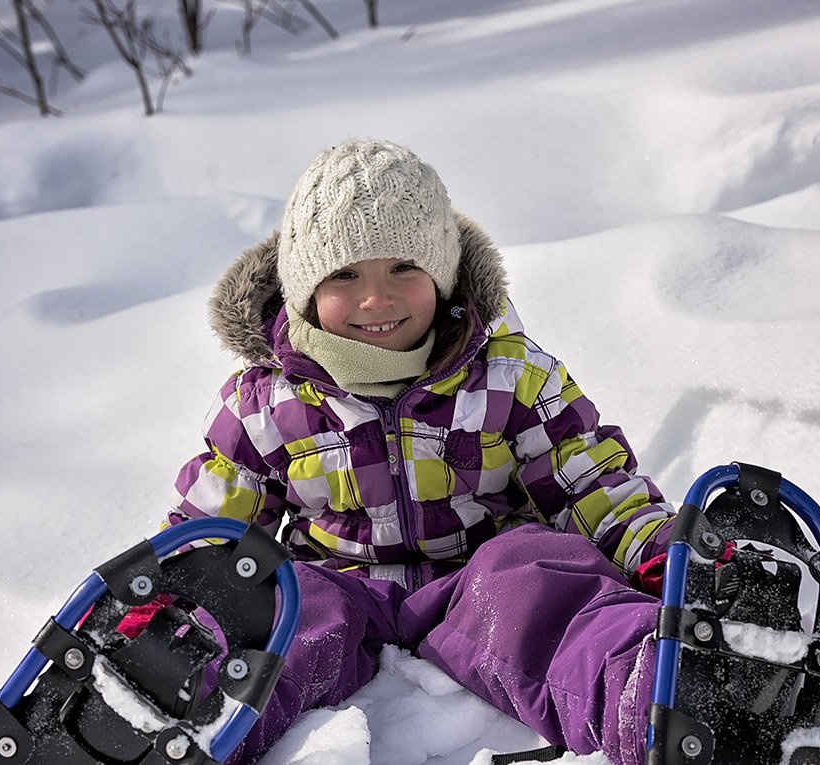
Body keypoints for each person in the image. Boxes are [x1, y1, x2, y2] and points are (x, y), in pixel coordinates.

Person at [165, 138, 678, 765]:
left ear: (443, 275)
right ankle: (177, 719)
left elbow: (588, 483)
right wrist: (166, 597)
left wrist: (666, 551)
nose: (376, 298)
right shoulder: (264, 403)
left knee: (539, 579)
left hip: (477, 579)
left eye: (404, 267)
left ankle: (658, 692)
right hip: (337, 585)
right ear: (303, 290)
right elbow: (213, 529)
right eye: (345, 274)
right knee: (277, 611)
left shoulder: (510, 375)